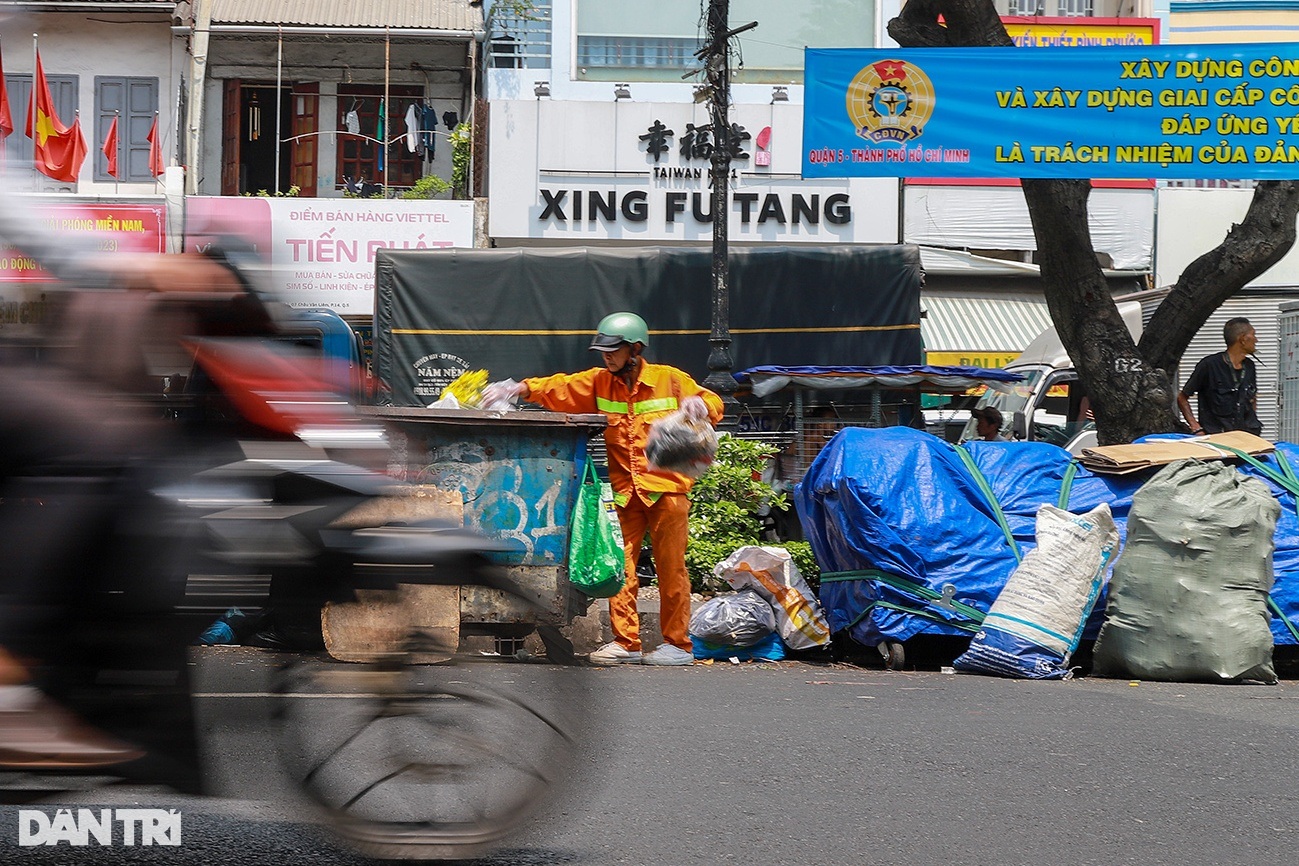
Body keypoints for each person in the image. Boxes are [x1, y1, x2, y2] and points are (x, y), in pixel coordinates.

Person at [485, 313, 723, 666]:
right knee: (619, 569)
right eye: (604, 351)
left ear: (636, 349)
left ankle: (677, 645)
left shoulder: (669, 380)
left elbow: (713, 402)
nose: (607, 357)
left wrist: (700, 405)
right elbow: (562, 387)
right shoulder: (599, 383)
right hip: (627, 492)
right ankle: (626, 643)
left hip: (667, 492)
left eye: (613, 350)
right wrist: (521, 388)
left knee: (671, 570)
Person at [1177, 317, 1263, 436]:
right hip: (1218, 439)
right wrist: (1195, 426)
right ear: (1243, 339)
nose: (1256, 340)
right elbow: (1182, 398)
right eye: (1253, 335)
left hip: (1247, 438)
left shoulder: (1249, 366)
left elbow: (1252, 398)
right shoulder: (1209, 365)